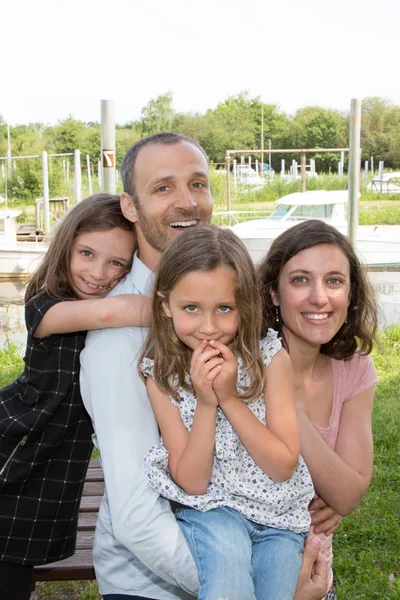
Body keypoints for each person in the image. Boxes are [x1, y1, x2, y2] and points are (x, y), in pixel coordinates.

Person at [80, 132, 330, 600]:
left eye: (198, 184)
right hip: (156, 582)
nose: (187, 202)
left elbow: (284, 438)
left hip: (268, 530)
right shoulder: (120, 343)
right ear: (129, 207)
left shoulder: (232, 296)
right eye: (163, 188)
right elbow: (138, 520)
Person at [139, 224, 315, 600]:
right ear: (165, 305)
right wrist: (206, 401)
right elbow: (193, 482)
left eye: (224, 309)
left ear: (244, 306)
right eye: (191, 308)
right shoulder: (162, 376)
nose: (208, 328)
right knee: (227, 586)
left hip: (280, 520)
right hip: (214, 512)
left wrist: (230, 399)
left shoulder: (271, 360)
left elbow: (283, 465)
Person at [0, 193, 152, 600]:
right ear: (66, 246)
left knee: (17, 564)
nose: (98, 273)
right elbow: (108, 313)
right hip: (17, 446)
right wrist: (194, 303)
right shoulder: (44, 306)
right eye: (86, 253)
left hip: (54, 460)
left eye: (117, 263)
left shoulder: (99, 306)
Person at [257, 219, 378, 600]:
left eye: (334, 281)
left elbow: (347, 494)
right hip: (243, 568)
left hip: (314, 568)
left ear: (351, 293)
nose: (319, 297)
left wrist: (288, 411)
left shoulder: (354, 369)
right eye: (300, 280)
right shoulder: (247, 365)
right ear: (273, 293)